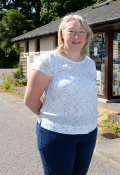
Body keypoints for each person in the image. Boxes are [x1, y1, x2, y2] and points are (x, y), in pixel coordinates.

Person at [24, 14, 98, 174]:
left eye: (82, 32)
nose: (77, 36)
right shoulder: (49, 60)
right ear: (62, 34)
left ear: (87, 36)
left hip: (88, 133)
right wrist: (55, 118)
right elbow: (30, 100)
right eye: (71, 31)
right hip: (57, 135)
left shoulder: (89, 63)